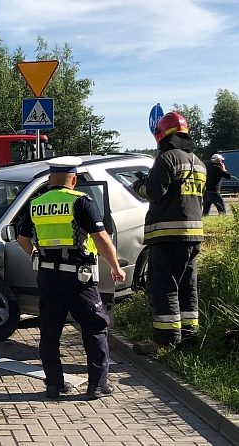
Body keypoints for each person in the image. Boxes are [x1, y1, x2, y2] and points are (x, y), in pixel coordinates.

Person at [17, 156, 126, 399]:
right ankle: (97, 385)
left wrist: (36, 254)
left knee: (50, 330)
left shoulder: (36, 203)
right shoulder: (81, 201)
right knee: (95, 326)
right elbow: (100, 238)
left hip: (47, 276)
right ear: (74, 180)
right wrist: (115, 266)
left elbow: (22, 239)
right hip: (77, 278)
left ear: (49, 179)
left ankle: (54, 385)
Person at [133, 112, 206, 355]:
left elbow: (154, 192)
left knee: (163, 285)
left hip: (167, 235)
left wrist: (139, 185)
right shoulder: (198, 162)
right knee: (187, 285)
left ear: (162, 135)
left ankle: (164, 339)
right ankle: (189, 337)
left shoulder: (166, 158)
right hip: (193, 235)